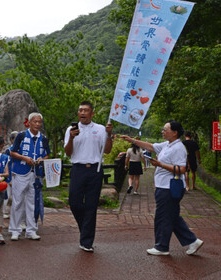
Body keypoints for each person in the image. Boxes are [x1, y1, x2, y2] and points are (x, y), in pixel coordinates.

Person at [119, 120, 204, 256]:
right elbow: (151, 146)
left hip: (169, 187)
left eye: (165, 129)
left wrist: (160, 164)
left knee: (163, 217)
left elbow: (182, 169)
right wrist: (132, 141)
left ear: (175, 133)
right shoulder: (168, 144)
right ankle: (192, 241)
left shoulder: (178, 148)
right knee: (172, 216)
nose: (162, 131)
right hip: (164, 186)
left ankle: (162, 246)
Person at [64, 101, 113, 252]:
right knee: (74, 203)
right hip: (78, 169)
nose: (82, 113)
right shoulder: (71, 129)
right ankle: (85, 229)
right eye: (80, 110)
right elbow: (67, 152)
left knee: (91, 206)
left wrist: (109, 134)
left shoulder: (100, 129)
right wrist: (71, 138)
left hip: (95, 170)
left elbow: (107, 151)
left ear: (92, 113)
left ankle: (86, 242)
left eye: (86, 110)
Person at [8, 112, 50, 241]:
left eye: (39, 122)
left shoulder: (43, 138)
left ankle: (31, 230)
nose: (37, 124)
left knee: (33, 202)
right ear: (29, 122)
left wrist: (41, 159)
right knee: (18, 201)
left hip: (36, 173)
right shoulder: (21, 136)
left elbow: (47, 154)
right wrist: (24, 158)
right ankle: (15, 230)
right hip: (21, 172)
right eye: (35, 121)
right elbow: (12, 153)